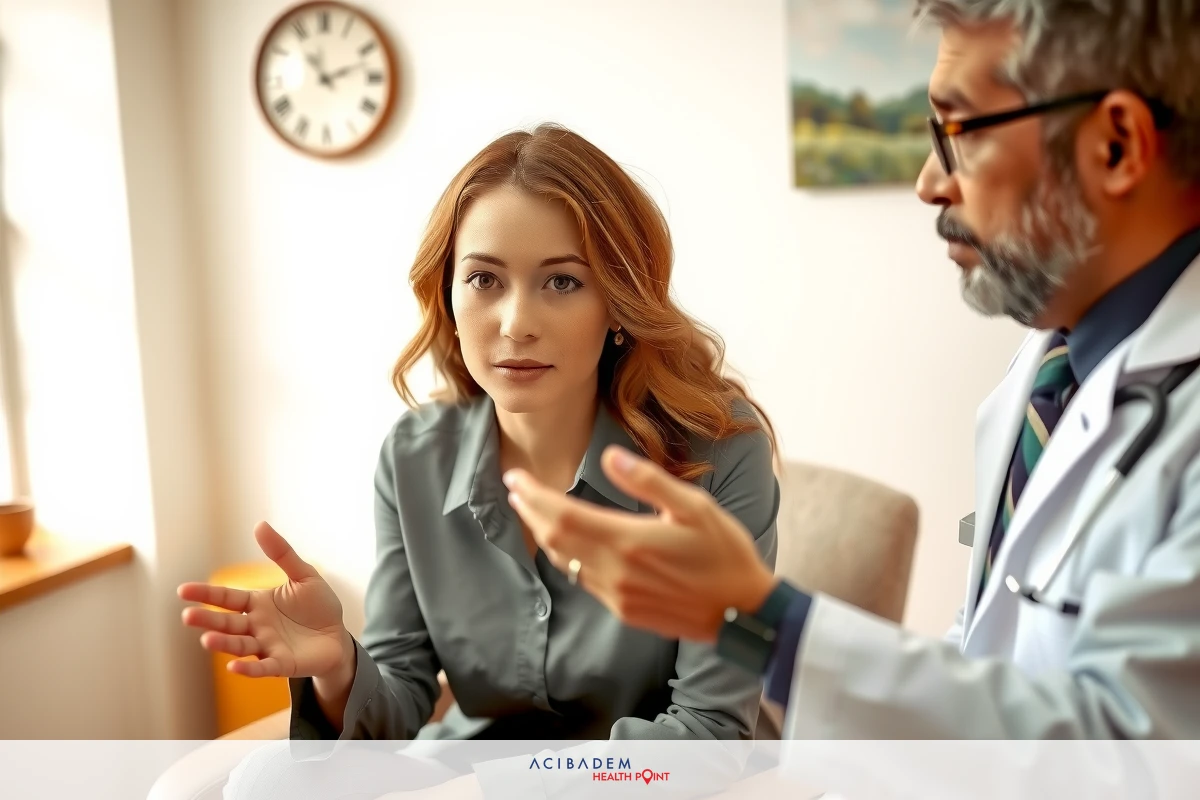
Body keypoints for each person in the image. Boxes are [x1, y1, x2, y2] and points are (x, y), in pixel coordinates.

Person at [504, 0, 1200, 757]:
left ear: (1117, 145)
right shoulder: (1045, 377)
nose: (930, 183)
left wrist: (763, 625)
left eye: (958, 131)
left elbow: (1136, 757)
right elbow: (990, 663)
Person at [177, 123, 779, 798]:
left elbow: (712, 731)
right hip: (466, 776)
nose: (516, 322)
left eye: (562, 282)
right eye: (485, 279)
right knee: (260, 782)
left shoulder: (724, 450)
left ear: (618, 303)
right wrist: (339, 663)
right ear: (448, 296)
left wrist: (498, 790)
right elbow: (401, 698)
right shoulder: (411, 457)